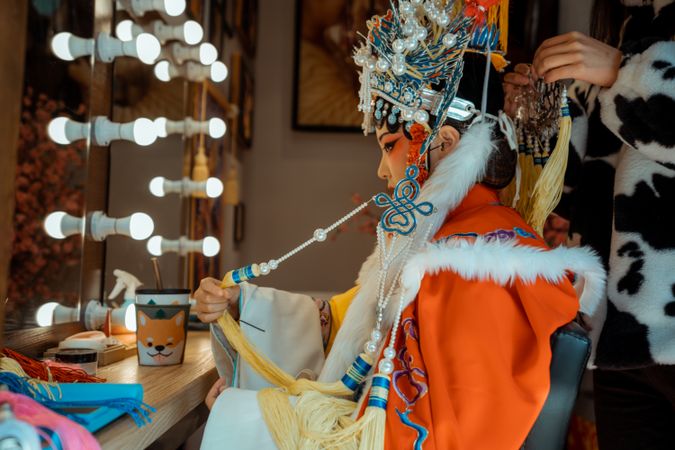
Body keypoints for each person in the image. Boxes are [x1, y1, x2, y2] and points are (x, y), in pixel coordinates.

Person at [196, 1, 605, 449]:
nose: (381, 170)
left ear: (444, 144)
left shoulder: (471, 269)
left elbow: (430, 437)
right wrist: (242, 308)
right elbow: (348, 324)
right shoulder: (456, 240)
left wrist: (247, 415)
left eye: (389, 144)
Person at [504, 0, 675, 448]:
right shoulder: (627, 29)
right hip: (626, 342)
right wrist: (534, 114)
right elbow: (572, 192)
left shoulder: (621, 56)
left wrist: (623, 72)